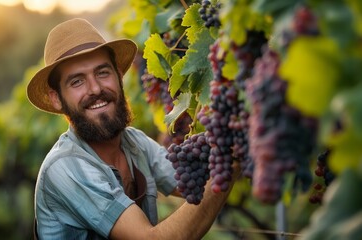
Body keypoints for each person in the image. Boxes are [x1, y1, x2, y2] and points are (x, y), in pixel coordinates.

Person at [27, 18, 240, 239]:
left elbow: (193, 182)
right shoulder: (65, 167)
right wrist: (230, 160)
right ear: (56, 99)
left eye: (102, 73)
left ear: (119, 76)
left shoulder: (134, 143)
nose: (96, 88)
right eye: (77, 82)